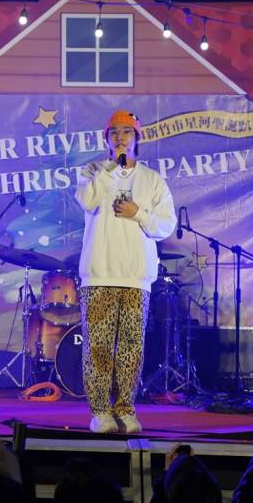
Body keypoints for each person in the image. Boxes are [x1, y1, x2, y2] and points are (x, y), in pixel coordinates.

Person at [75, 110, 176, 434]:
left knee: (131, 349)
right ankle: (100, 412)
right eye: (114, 132)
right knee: (98, 348)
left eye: (127, 132)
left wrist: (138, 213)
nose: (120, 137)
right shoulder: (92, 171)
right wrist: (110, 169)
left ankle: (126, 409)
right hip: (99, 274)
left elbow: (166, 226)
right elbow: (88, 201)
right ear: (106, 139)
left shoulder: (152, 180)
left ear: (137, 138)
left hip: (136, 277)